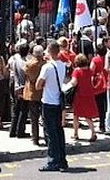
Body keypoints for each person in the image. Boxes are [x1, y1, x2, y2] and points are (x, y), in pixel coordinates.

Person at [36, 41, 68, 172]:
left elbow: (38, 85)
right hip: (58, 102)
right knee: (59, 131)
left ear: (49, 51)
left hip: (49, 101)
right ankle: (62, 159)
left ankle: (53, 161)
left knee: (50, 133)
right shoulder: (62, 65)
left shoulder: (47, 67)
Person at [65, 54, 99, 141]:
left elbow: (74, 82)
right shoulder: (89, 70)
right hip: (89, 94)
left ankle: (76, 134)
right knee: (88, 116)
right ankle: (93, 132)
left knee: (76, 115)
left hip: (80, 95)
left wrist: (65, 87)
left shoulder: (77, 71)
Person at [24, 44, 45, 145]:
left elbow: (26, 74)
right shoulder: (45, 64)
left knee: (34, 118)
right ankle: (46, 137)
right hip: (43, 92)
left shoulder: (29, 64)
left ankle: (35, 138)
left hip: (32, 92)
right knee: (45, 117)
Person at [9, 41, 31, 138]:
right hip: (23, 88)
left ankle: (13, 130)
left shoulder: (15, 60)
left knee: (16, 110)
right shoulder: (25, 63)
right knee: (23, 110)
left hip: (16, 86)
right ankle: (20, 131)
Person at [90, 43, 108, 133]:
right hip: (108, 83)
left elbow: (91, 72)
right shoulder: (108, 59)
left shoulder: (95, 60)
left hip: (99, 85)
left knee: (100, 106)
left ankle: (102, 125)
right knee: (109, 105)